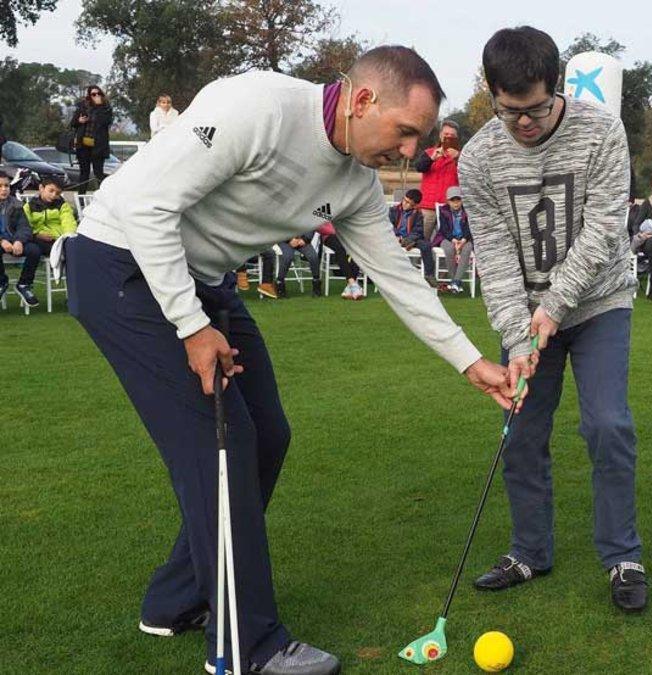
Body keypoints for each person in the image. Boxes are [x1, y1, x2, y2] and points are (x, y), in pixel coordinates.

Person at [65, 46, 514, 675]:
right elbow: (144, 206)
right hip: (120, 265)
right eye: (405, 131)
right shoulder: (256, 106)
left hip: (201, 280)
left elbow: (401, 280)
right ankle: (247, 649)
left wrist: (473, 363)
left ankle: (176, 600)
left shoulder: (356, 185)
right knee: (220, 445)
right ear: (362, 102)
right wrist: (192, 329)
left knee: (267, 436)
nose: (410, 150)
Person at [458, 25, 648, 613]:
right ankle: (529, 551)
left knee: (608, 425)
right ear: (492, 94)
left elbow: (603, 231)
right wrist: (519, 332)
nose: (525, 123)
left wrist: (555, 307)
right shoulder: (478, 157)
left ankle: (623, 556)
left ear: (556, 86)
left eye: (536, 108)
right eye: (510, 110)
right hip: (525, 315)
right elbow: (492, 253)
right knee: (520, 434)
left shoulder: (601, 131)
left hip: (597, 304)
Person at [24, 175, 77, 298]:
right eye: (51, 191)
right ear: (41, 188)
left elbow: (68, 222)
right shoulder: (29, 206)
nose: (53, 195)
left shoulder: (63, 206)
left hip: (59, 239)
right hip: (38, 238)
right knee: (36, 247)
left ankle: (75, 292)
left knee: (73, 249)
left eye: (57, 193)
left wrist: (67, 237)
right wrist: (36, 234)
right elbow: (25, 225)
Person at [0, 171, 42, 307]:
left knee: (34, 250)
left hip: (15, 241)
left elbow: (24, 227)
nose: (4, 189)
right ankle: (1, 282)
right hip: (2, 242)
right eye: (0, 186)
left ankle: (24, 284)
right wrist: (1, 240)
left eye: (6, 185)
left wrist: (19, 240)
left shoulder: (17, 204)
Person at [414, 119, 461, 226]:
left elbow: (469, 175)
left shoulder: (463, 157)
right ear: (440, 135)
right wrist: (431, 159)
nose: (448, 137)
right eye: (446, 134)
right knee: (422, 239)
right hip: (428, 206)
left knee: (455, 240)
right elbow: (418, 167)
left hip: (451, 207)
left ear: (456, 137)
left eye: (452, 135)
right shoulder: (429, 152)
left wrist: (458, 158)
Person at [71, 85, 113, 192]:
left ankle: (102, 197)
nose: (97, 96)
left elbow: (106, 122)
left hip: (98, 145)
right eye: (94, 94)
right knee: (84, 173)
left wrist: (99, 106)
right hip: (83, 145)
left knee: (98, 172)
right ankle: (81, 198)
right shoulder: (82, 107)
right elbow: (72, 123)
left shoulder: (106, 108)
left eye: (99, 93)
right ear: (89, 96)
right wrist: (79, 121)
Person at [431, 186, 472, 293]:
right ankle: (455, 282)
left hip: (466, 238)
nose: (456, 203)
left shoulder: (467, 211)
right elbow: (443, 229)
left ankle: (456, 282)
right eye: (452, 200)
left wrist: (463, 240)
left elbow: (470, 228)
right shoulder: (443, 210)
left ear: (462, 200)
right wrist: (453, 240)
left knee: (467, 250)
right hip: (447, 238)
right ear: (448, 201)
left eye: (458, 200)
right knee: (449, 249)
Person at [391, 188, 436, 285]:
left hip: (411, 239)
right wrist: (397, 236)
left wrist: (408, 240)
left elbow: (418, 231)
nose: (404, 204)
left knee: (426, 246)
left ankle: (429, 275)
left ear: (415, 205)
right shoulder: (393, 210)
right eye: (404, 200)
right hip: (394, 238)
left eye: (408, 203)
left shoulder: (418, 214)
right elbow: (389, 225)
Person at [257, 234, 321, 299]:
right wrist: (290, 239)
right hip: (285, 241)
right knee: (287, 257)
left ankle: (316, 285)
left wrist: (305, 239)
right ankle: (280, 285)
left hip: (302, 240)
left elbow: (312, 226)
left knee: (313, 257)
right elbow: (280, 227)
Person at [316, 221, 366, 300]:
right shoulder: (323, 209)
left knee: (356, 249)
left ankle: (350, 287)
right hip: (329, 235)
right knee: (340, 249)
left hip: (346, 234)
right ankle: (353, 283)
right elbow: (318, 226)